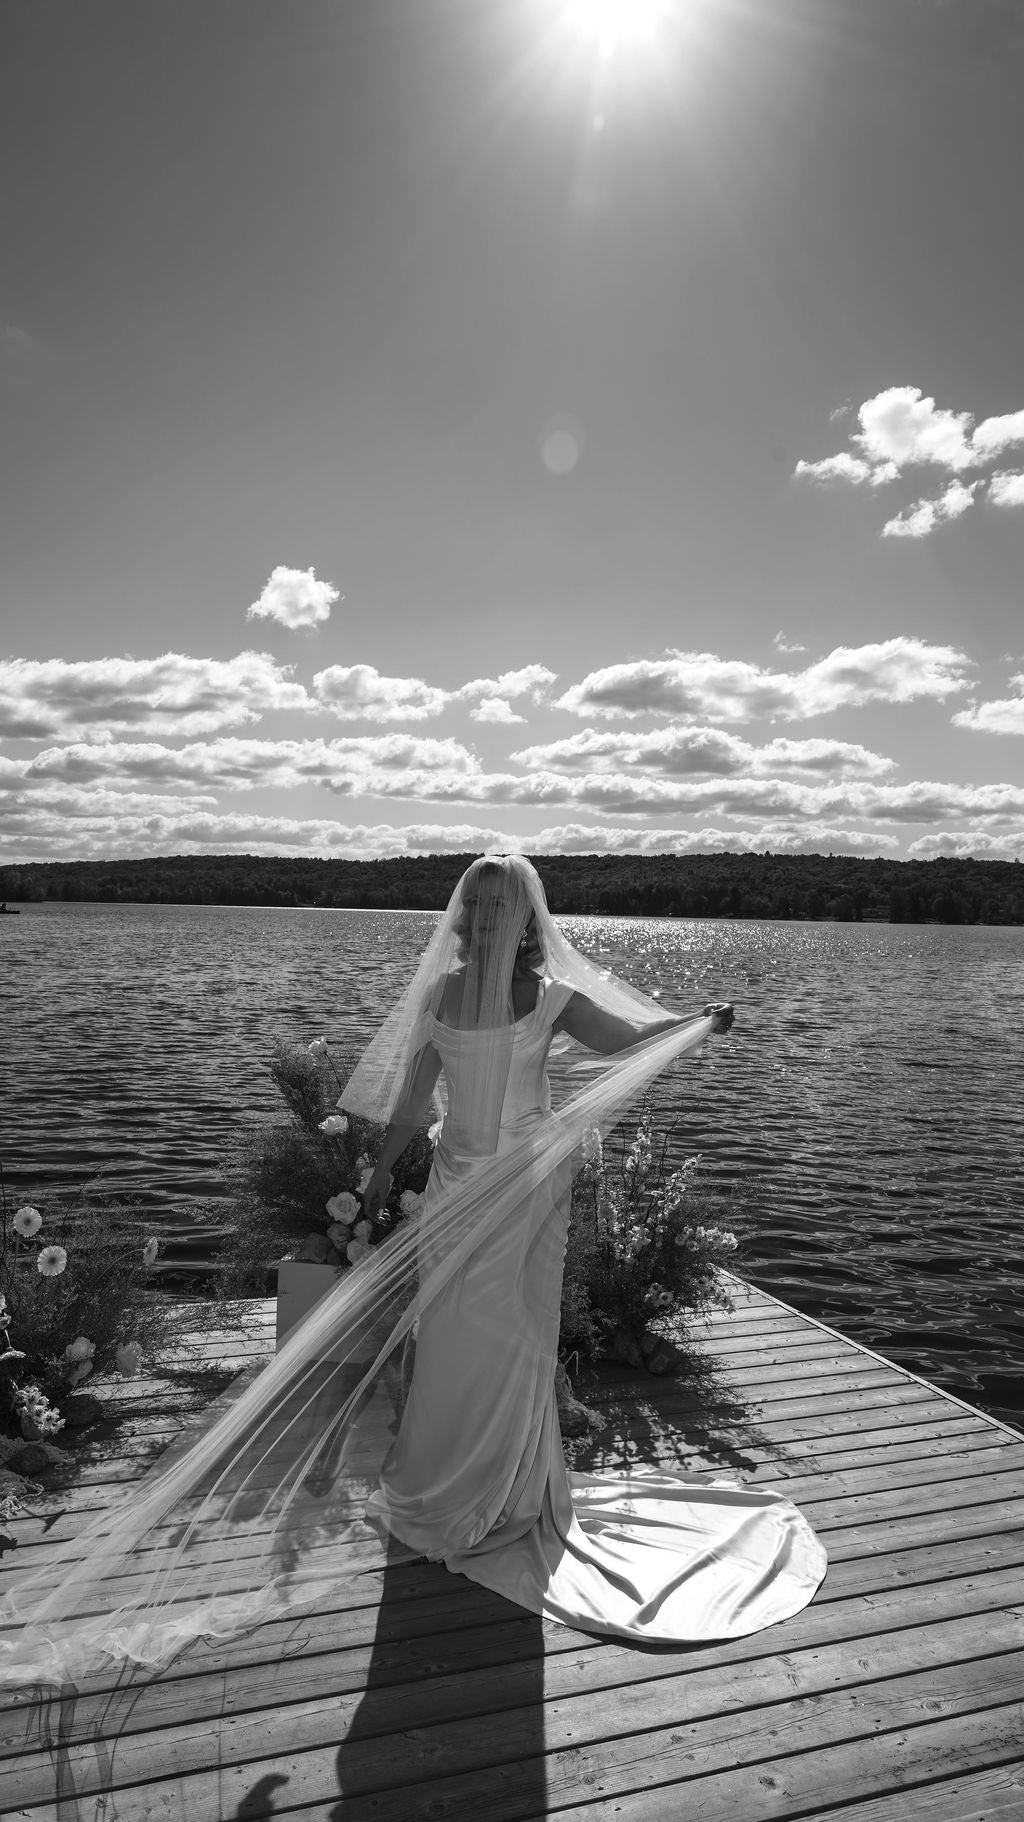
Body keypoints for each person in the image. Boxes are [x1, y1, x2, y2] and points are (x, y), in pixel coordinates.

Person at [0, 855, 825, 1688]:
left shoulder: (555, 998)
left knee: (515, 1330)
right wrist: (369, 1182)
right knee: (456, 1327)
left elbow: (631, 1037)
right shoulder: (438, 997)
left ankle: (512, 1492)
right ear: (468, 915)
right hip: (457, 1183)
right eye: (485, 904)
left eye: (508, 905)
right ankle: (447, 1482)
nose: (496, 917)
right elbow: (409, 1107)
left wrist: (695, 1019)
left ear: (528, 917)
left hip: (528, 1188)